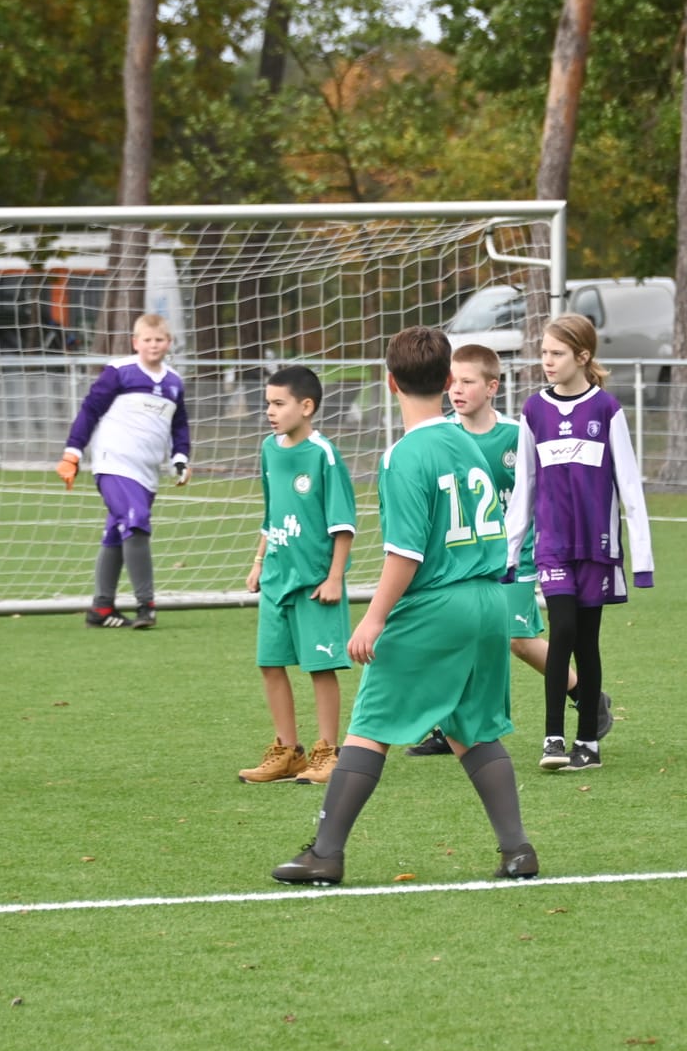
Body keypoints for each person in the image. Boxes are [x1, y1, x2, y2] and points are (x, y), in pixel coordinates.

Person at [272, 327, 536, 886]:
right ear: (448, 380)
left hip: (438, 602)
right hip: (491, 599)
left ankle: (326, 853)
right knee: (471, 728)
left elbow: (406, 552)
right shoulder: (470, 442)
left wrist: (374, 617)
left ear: (389, 382)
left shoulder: (404, 454)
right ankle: (518, 849)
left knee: (369, 724)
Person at [407, 343, 611, 757]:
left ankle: (586, 696)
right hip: (464, 560)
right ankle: (453, 727)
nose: (457, 390)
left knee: (518, 640)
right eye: (453, 381)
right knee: (461, 636)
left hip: (515, 556)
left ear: (492, 387)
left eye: (468, 381)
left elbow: (537, 493)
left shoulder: (515, 434)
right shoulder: (442, 437)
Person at [501, 314, 654, 773]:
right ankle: (553, 737)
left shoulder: (606, 409)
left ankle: (588, 742)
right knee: (562, 628)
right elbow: (525, 485)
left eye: (556, 353)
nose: (546, 361)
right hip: (552, 545)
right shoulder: (534, 410)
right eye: (544, 353)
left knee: (587, 641)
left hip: (596, 546)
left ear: (582, 356)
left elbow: (630, 486)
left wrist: (642, 559)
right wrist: (509, 552)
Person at [240, 365, 356, 786]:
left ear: (306, 406)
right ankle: (287, 751)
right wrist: (259, 561)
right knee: (270, 664)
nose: (269, 412)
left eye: (278, 403)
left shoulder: (324, 454)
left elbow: (343, 524)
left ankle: (328, 751)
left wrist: (334, 577)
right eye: (267, 404)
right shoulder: (269, 449)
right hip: (277, 577)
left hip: (314, 583)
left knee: (320, 667)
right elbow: (271, 513)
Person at [57, 313, 191, 629]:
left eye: (159, 340)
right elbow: (90, 409)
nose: (153, 345)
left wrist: (180, 458)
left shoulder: (174, 382)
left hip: (147, 473)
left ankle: (102, 608)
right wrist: (73, 452)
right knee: (137, 521)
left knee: (118, 532)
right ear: (135, 342)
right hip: (113, 463)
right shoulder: (119, 371)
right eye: (147, 340)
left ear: (168, 343)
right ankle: (147, 606)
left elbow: (179, 425)